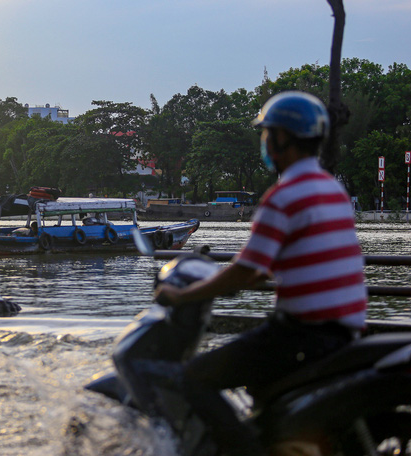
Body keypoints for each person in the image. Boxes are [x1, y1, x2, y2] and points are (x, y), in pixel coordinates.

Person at [154, 91, 367, 455]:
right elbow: (287, 263)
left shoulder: (283, 197)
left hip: (303, 334)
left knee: (193, 379)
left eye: (267, 134)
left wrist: (183, 295)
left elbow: (248, 273)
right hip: (346, 329)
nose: (264, 142)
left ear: (283, 138)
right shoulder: (333, 189)